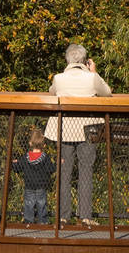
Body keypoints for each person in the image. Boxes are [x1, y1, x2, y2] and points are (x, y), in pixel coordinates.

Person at [44, 44, 111, 227]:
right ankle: (85, 216)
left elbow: (51, 93)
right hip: (88, 131)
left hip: (63, 130)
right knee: (86, 172)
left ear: (67, 60)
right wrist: (95, 72)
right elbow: (107, 93)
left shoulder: (59, 78)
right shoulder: (92, 78)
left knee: (64, 174)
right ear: (84, 60)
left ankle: (63, 216)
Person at [12, 128, 56, 225]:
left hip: (29, 185)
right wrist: (57, 164)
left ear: (30, 143)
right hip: (41, 185)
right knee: (42, 204)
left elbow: (18, 168)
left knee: (28, 204)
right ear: (43, 145)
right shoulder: (45, 157)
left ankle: (28, 222)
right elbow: (50, 169)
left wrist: (14, 164)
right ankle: (43, 222)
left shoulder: (25, 157)